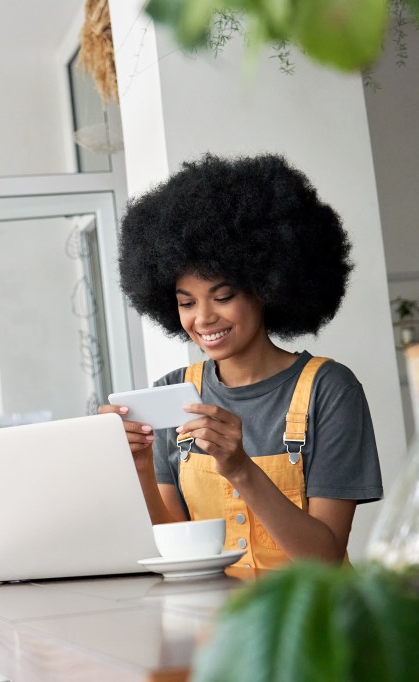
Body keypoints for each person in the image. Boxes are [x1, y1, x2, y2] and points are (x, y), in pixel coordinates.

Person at [101, 153, 382, 577]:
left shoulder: (330, 389)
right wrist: (137, 468)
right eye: (186, 303)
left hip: (316, 614)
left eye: (223, 296)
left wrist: (239, 467)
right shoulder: (171, 395)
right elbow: (177, 550)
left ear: (267, 287)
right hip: (214, 615)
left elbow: (323, 560)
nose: (203, 318)